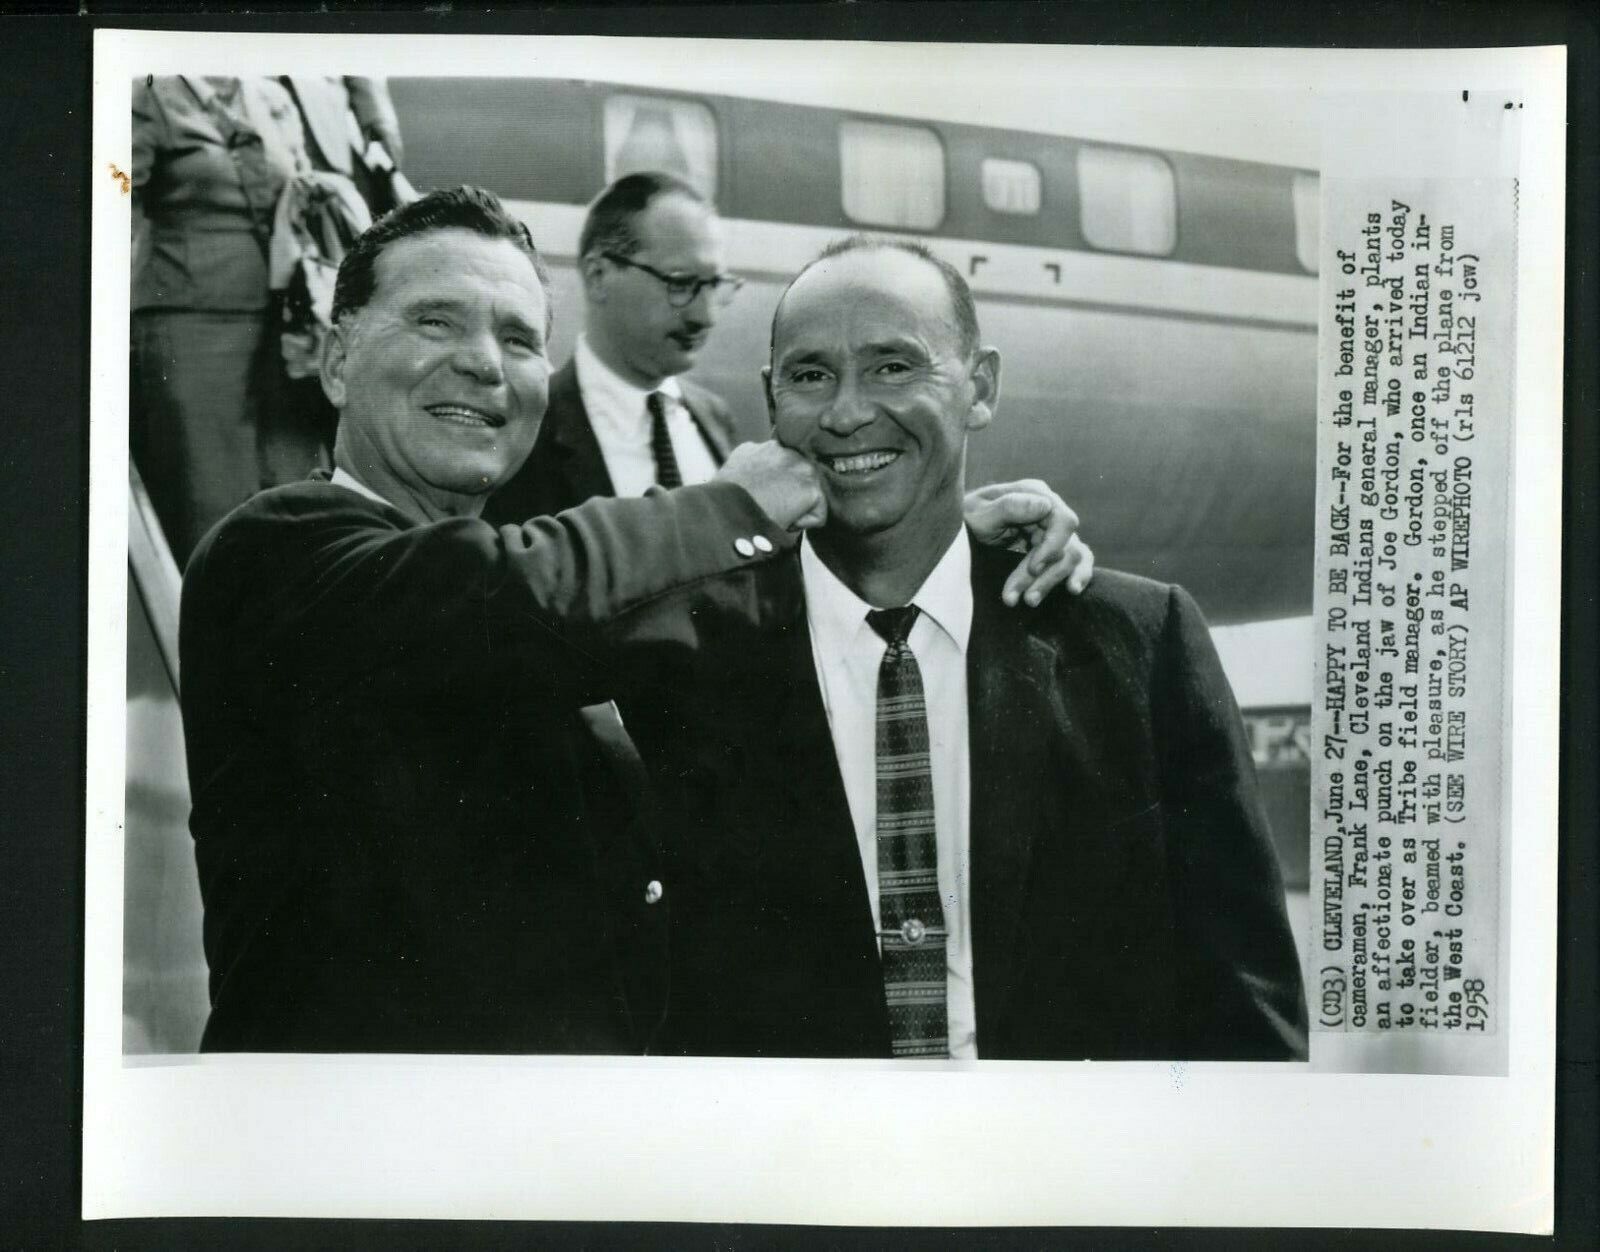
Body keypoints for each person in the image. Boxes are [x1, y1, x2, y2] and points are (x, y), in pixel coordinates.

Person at [177, 188, 1089, 1054]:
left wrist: (919, 539)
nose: (485, 364)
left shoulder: (555, 599)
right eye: (435, 322)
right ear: (336, 360)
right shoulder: (277, 552)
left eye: (520, 339)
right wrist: (730, 506)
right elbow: (490, 602)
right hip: (350, 1180)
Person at [614, 236, 1309, 1060]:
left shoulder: (1140, 642)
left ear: (979, 387)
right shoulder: (683, 661)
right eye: (809, 376)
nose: (845, 412)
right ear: (771, 403)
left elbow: (1248, 1014)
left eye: (893, 368)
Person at [130, 76, 331, 565]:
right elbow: (109, 193)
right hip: (189, 325)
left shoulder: (273, 96)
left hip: (281, 325)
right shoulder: (149, 92)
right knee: (207, 499)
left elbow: (303, 192)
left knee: (292, 485)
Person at [483, 172, 740, 522]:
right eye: (680, 283)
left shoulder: (714, 418)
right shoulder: (524, 436)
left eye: (714, 284)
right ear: (598, 275)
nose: (705, 315)